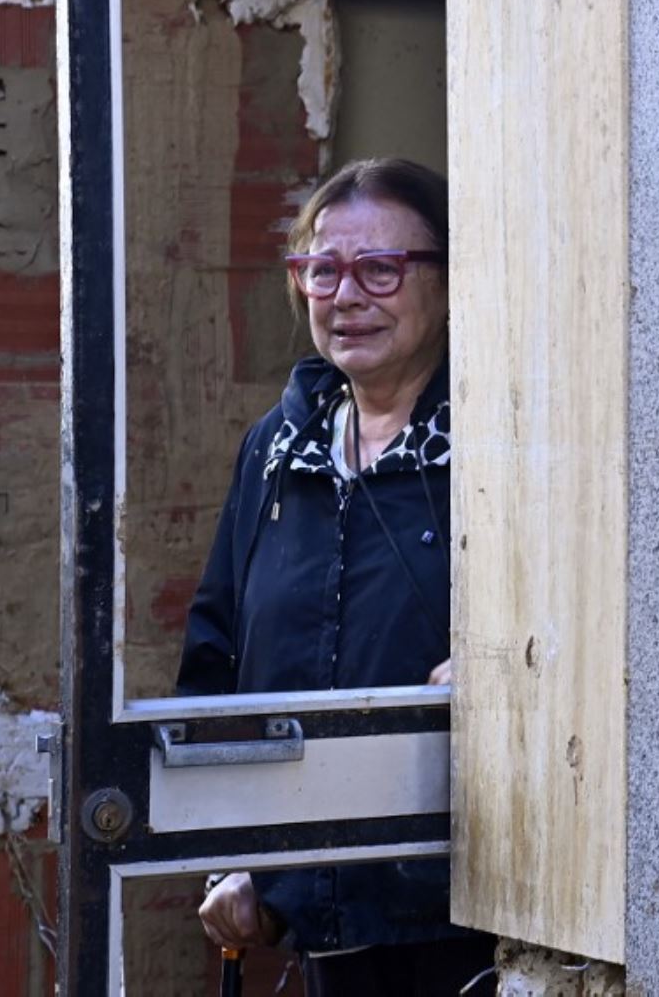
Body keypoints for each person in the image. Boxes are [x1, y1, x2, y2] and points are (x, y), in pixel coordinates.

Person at [176, 158, 494, 996]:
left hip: (478, 921)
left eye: (381, 268)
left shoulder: (501, 443)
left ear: (453, 282)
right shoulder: (276, 456)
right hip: (318, 932)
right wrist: (238, 868)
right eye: (323, 269)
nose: (347, 294)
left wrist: (504, 679)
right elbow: (216, 667)